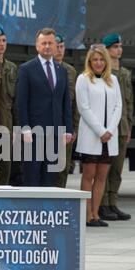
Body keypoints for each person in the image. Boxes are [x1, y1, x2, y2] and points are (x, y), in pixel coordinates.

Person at [16, 28, 73, 187]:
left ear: (56, 46)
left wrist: (67, 129)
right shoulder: (26, 69)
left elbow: (65, 103)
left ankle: (47, 212)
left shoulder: (61, 71)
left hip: (54, 135)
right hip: (34, 134)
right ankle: (30, 212)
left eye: (50, 43)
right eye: (44, 43)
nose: (47, 46)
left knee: (50, 179)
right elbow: (21, 102)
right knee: (32, 178)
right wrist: (25, 128)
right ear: (37, 46)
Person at [75, 44, 122, 227]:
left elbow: (118, 106)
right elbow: (83, 108)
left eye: (102, 59)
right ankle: (86, 215)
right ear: (90, 61)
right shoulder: (83, 79)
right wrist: (101, 131)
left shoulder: (113, 80)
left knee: (102, 176)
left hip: (108, 138)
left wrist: (110, 129)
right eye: (95, 59)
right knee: (89, 174)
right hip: (92, 136)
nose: (99, 63)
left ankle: (96, 213)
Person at [98, 33, 133, 221]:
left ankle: (113, 202)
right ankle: (102, 204)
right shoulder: (105, 74)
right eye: (114, 47)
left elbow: (129, 103)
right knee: (106, 168)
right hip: (108, 128)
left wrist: (129, 126)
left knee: (117, 169)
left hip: (122, 127)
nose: (118, 50)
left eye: (120, 46)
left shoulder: (125, 74)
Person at [0, 25, 17, 185]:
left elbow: (15, 101)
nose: (1, 44)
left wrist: (16, 127)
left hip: (7, 124)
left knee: (5, 167)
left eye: (4, 40)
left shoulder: (11, 68)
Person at [53, 33, 79, 188]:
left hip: (65, 125)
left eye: (62, 46)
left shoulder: (71, 71)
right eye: (57, 47)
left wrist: (74, 127)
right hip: (48, 126)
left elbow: (74, 102)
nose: (59, 50)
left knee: (63, 167)